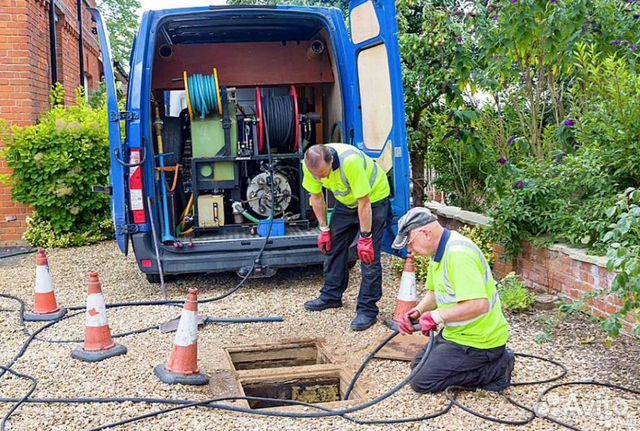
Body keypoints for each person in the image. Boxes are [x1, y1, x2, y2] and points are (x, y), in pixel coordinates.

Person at [391, 207, 514, 393]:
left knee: (422, 382)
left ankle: (498, 368)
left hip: (480, 341)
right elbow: (435, 293)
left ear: (425, 233)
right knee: (417, 366)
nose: (410, 250)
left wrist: (436, 317)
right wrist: (418, 311)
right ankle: (486, 364)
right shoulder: (439, 252)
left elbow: (480, 305)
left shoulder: (458, 255)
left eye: (410, 243)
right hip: (457, 334)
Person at [302, 143, 390, 331]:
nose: (320, 178)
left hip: (373, 200)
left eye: (323, 174)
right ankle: (331, 296)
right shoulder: (309, 164)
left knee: (369, 256)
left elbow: (364, 202)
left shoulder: (351, 162)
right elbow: (316, 196)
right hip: (346, 202)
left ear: (331, 161)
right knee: (333, 246)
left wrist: (365, 237)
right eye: (316, 175)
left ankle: (367, 310)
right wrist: (324, 229)